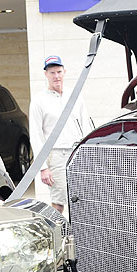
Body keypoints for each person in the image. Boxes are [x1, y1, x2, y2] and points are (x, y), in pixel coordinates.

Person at [29, 54, 92, 214]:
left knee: (82, 200)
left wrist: (89, 155)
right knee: (59, 203)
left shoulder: (75, 95)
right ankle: (57, 230)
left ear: (64, 72)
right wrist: (43, 168)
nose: (56, 76)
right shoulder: (38, 101)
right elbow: (36, 135)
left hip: (77, 153)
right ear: (46, 74)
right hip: (56, 156)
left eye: (58, 72)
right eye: (52, 73)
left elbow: (85, 125)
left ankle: (78, 230)